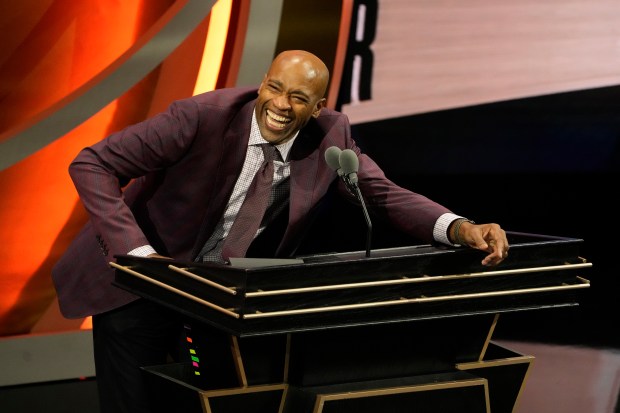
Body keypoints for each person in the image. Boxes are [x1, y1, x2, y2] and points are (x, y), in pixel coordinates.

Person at [52, 49, 509, 413]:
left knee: (205, 401)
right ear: (263, 84)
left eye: (298, 98)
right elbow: (93, 162)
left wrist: (460, 227)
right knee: (134, 404)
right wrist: (138, 254)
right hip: (141, 286)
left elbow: (382, 194)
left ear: (317, 107)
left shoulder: (332, 136)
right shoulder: (202, 117)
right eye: (274, 88)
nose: (281, 105)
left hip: (214, 296)